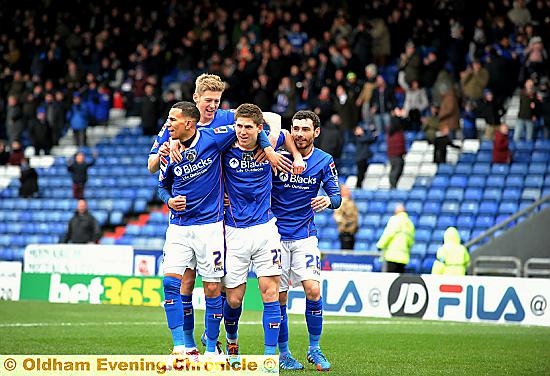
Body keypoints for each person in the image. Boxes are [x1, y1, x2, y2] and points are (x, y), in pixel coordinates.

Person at [147, 73, 282, 355]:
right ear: (195, 100)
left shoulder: (226, 120)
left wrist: (266, 147)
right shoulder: (172, 127)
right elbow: (152, 167)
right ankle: (186, 345)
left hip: (218, 220)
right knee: (183, 281)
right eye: (207, 100)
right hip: (185, 221)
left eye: (216, 101)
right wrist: (167, 150)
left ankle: (215, 342)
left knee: (217, 287)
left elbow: (270, 119)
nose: (212, 106)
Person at [221, 103, 304, 356]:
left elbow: (277, 120)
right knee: (234, 299)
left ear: (259, 129)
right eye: (239, 126)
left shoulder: (268, 146)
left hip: (266, 230)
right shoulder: (224, 148)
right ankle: (232, 339)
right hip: (234, 231)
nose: (243, 131)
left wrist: (295, 156)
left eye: (248, 127)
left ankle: (270, 356)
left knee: (270, 293)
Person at [271, 110, 342, 371]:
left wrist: (327, 200)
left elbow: (337, 197)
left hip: (304, 236)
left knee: (313, 290)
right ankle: (284, 353)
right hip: (274, 236)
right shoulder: (278, 154)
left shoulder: (324, 160)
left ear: (316, 132)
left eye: (305, 129)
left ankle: (314, 348)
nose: (300, 134)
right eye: (296, 128)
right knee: (280, 298)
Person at [376, 203, 415, 273]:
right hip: (403, 258)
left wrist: (379, 245)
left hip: (391, 256)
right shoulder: (410, 224)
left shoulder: (395, 219)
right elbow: (411, 242)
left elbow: (388, 234)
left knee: (389, 281)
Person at [333, 184, 359, 250]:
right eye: (346, 190)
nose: (348, 191)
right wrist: (345, 223)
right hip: (345, 232)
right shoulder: (341, 202)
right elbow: (337, 216)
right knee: (346, 251)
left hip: (352, 232)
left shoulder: (351, 201)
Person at [354, 122, 377, 189]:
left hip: (365, 158)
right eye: (358, 129)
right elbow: (368, 138)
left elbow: (372, 139)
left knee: (364, 174)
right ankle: (358, 187)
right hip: (360, 158)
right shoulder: (358, 138)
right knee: (360, 174)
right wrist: (370, 130)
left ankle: (360, 186)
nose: (360, 130)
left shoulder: (364, 137)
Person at [386, 115, 406, 189]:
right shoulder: (399, 133)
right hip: (397, 155)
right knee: (396, 171)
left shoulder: (389, 133)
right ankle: (393, 186)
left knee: (394, 170)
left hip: (391, 155)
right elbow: (401, 144)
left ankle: (393, 186)